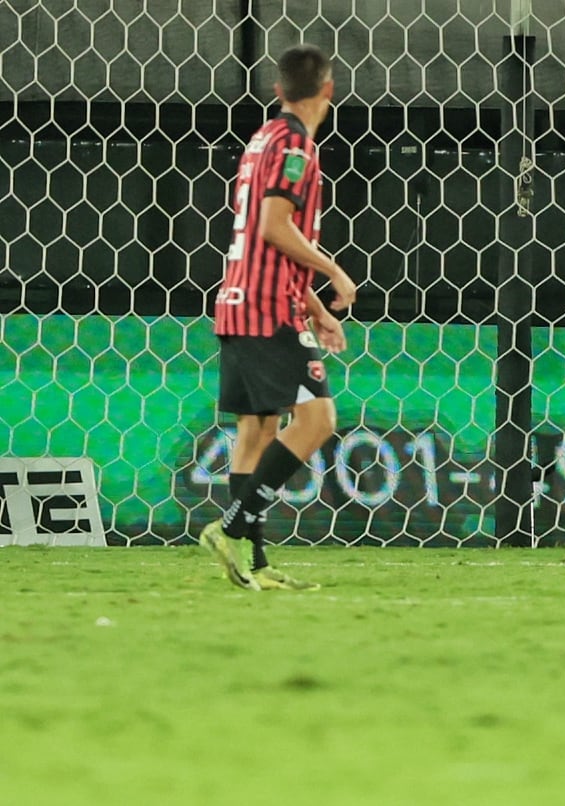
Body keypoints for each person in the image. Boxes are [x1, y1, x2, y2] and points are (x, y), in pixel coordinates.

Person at [200, 44, 358, 590]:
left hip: (238, 300)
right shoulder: (295, 145)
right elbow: (273, 225)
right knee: (317, 421)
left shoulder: (261, 139)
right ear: (329, 90)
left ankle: (256, 565)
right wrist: (334, 274)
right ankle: (232, 528)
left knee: (258, 427)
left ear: (278, 90)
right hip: (268, 310)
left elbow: (270, 241)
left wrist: (315, 309)